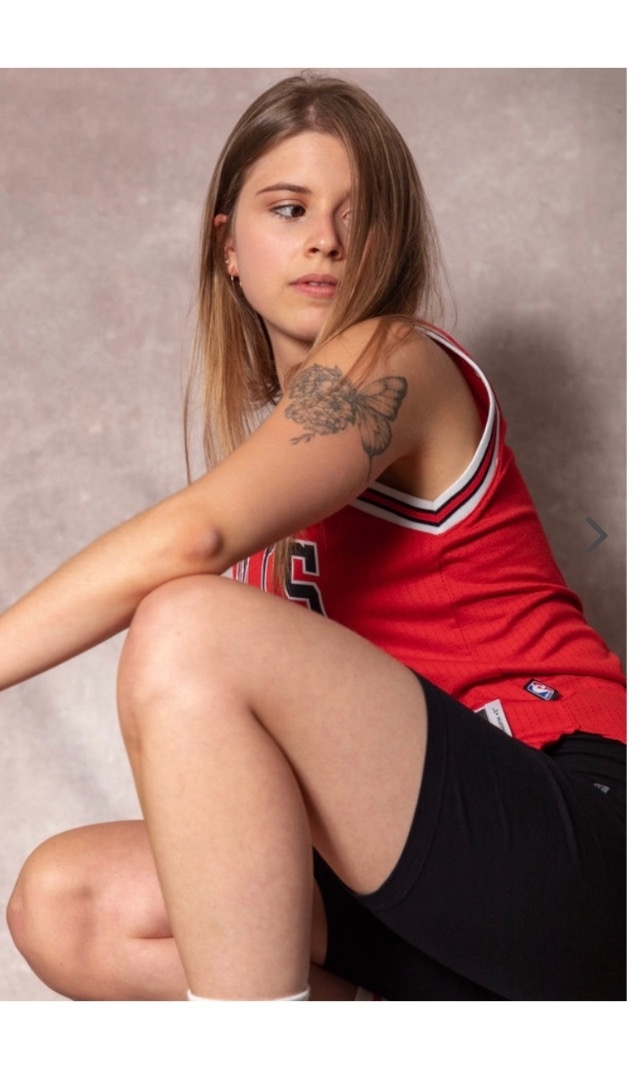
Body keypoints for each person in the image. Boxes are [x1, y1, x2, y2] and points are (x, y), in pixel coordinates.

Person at [4, 72, 626, 1002]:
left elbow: (194, 535)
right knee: (67, 901)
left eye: (355, 216)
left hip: (577, 836)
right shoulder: (276, 483)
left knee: (186, 625)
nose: (324, 238)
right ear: (228, 246)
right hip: (414, 886)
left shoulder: (398, 361)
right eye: (289, 208)